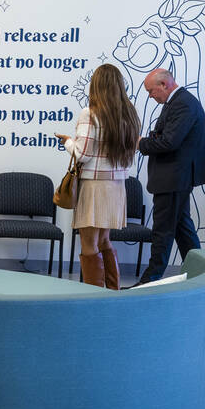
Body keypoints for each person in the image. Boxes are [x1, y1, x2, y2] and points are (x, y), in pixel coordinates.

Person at [56, 64, 140, 289]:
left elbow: (82, 154)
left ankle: (94, 296)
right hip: (117, 186)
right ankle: (112, 292)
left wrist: (67, 142)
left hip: (94, 186)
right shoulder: (129, 114)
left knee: (88, 243)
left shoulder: (90, 113)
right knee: (104, 240)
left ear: (96, 85)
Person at [136, 68, 205, 284]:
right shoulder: (177, 101)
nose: (150, 96)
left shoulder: (183, 103)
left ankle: (149, 282)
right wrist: (152, 138)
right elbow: (164, 135)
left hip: (173, 178)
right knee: (183, 230)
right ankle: (201, 277)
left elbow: (169, 141)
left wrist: (140, 143)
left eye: (151, 91)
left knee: (162, 232)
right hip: (174, 178)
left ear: (164, 85)